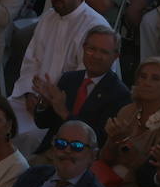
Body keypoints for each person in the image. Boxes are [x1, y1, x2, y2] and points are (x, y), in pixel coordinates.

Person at [9, 0, 110, 142]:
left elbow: (87, 79)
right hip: (34, 98)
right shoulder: (48, 17)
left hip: (65, 108)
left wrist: (49, 101)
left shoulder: (94, 26)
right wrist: (29, 93)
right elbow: (32, 61)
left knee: (27, 136)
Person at [31, 26, 131, 157]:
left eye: (104, 52)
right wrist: (45, 103)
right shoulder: (69, 78)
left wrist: (64, 113)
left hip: (82, 159)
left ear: (115, 56)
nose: (96, 56)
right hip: (51, 151)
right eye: (91, 49)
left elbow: (100, 139)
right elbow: (43, 123)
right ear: (83, 48)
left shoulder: (120, 94)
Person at [97, 57, 160, 187]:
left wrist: (124, 142)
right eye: (143, 76)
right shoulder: (127, 111)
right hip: (107, 180)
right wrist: (112, 140)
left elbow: (150, 172)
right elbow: (105, 158)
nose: (147, 82)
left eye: (155, 78)